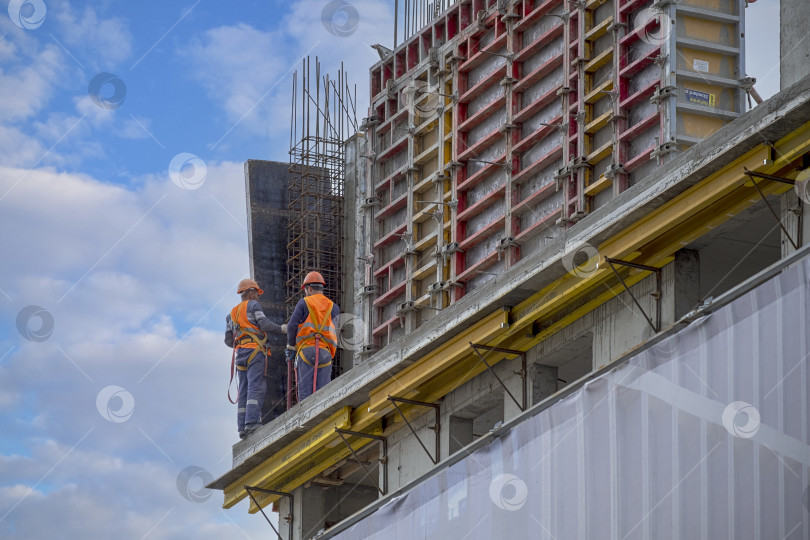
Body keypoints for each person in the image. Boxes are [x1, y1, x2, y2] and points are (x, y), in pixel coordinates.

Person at [225, 278, 286, 439]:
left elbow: (228, 341)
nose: (258, 297)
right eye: (257, 293)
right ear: (251, 293)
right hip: (254, 352)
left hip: (241, 356)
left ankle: (242, 427)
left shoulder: (230, 314)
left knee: (243, 389)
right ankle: (252, 422)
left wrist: (242, 342)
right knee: (256, 386)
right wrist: (282, 329)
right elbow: (264, 324)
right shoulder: (253, 305)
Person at [286, 271, 340, 401]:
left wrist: (291, 347)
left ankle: (305, 420)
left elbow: (291, 326)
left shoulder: (304, 302)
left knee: (305, 395)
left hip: (307, 351)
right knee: (323, 396)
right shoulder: (334, 307)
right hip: (325, 354)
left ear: (309, 288)